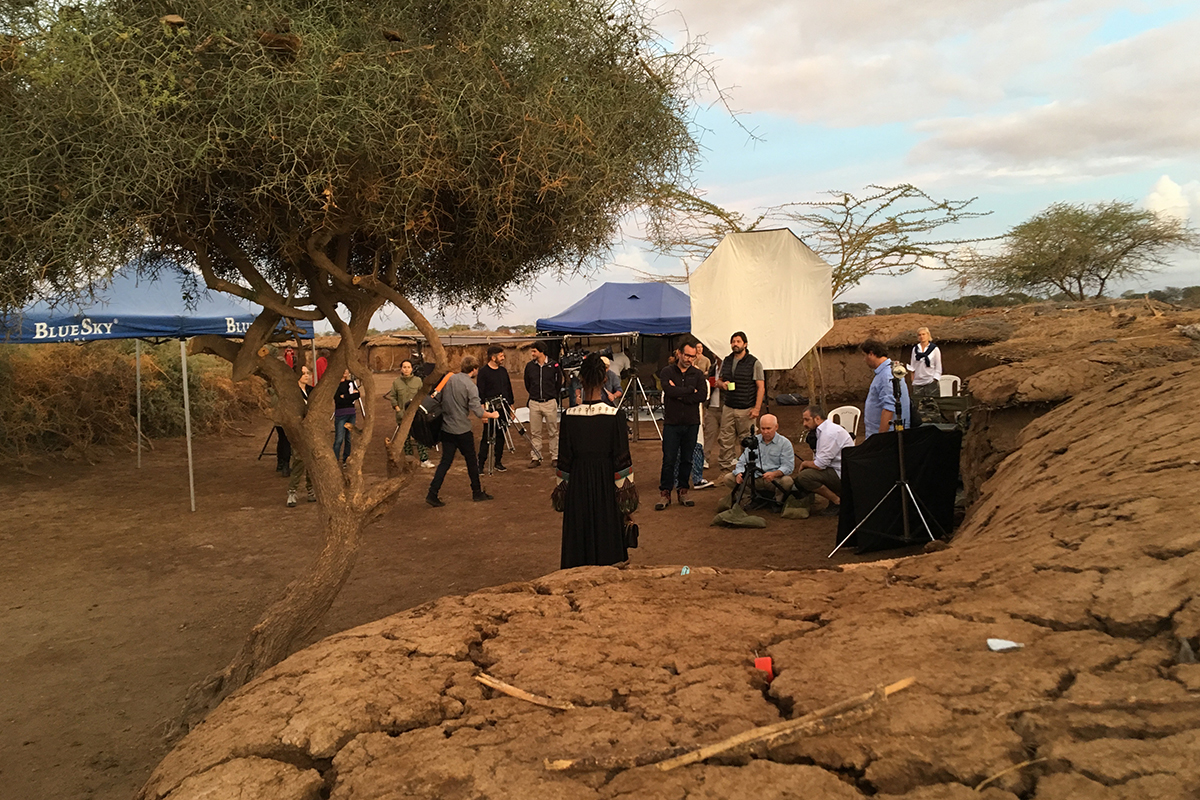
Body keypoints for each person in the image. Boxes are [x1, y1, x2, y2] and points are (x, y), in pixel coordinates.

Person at [554, 353, 638, 568]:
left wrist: (562, 495)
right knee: (608, 544)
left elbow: (564, 462)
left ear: (581, 379)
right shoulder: (616, 416)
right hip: (607, 488)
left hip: (578, 488)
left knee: (579, 548)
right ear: (604, 379)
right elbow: (623, 463)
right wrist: (627, 506)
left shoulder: (569, 416)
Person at [426, 355, 500, 506]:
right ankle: (476, 492)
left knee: (445, 462)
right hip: (462, 430)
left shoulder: (449, 379)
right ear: (474, 369)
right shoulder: (470, 386)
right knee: (471, 461)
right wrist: (492, 415)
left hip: (447, 428)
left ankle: (432, 493)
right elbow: (478, 412)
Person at [656, 340, 706, 510]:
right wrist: (690, 391)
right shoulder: (667, 371)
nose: (689, 359)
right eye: (686, 355)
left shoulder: (698, 374)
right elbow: (668, 391)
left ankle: (683, 491)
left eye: (692, 356)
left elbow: (702, 396)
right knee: (669, 459)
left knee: (687, 459)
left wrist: (678, 394)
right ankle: (665, 493)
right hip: (672, 423)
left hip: (691, 423)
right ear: (679, 353)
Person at [717, 331, 765, 472]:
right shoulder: (726, 361)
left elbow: (761, 387)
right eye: (733, 341)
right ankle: (725, 471)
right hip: (729, 407)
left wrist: (757, 408)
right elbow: (719, 381)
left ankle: (748, 472)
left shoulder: (754, 363)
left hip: (746, 409)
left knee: (747, 441)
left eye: (738, 341)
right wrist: (722, 384)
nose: (735, 344)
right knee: (725, 440)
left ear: (745, 344)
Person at [794, 405, 854, 517]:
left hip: (843, 474)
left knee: (805, 477)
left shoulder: (829, 433)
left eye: (807, 420)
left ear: (817, 418)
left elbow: (820, 465)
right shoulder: (824, 430)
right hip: (839, 469)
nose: (804, 424)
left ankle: (837, 501)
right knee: (806, 475)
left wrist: (805, 463)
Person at [720, 413, 795, 500]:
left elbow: (788, 466)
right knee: (728, 478)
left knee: (787, 481)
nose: (765, 432)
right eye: (763, 428)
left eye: (768, 428)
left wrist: (774, 474)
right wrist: (739, 473)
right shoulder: (754, 441)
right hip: (754, 478)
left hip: (773, 480)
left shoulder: (784, 443)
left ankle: (777, 501)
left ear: (776, 427)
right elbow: (742, 461)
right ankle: (749, 498)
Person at [386, 359, 434, 468]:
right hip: (402, 415)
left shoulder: (418, 381)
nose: (406, 369)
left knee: (420, 437)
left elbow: (423, 395)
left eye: (408, 367)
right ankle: (409, 460)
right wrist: (398, 409)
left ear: (412, 369)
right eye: (404, 367)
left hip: (416, 415)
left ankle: (424, 459)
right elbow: (393, 397)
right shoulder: (396, 383)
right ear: (401, 369)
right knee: (405, 439)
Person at [524, 342, 563, 467]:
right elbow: (527, 383)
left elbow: (558, 383)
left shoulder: (554, 365)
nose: (532, 354)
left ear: (541, 351)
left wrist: (552, 395)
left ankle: (555, 456)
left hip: (549, 402)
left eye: (534, 351)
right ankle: (536, 457)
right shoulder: (530, 366)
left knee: (553, 431)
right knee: (535, 432)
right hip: (534, 402)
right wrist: (534, 394)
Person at [861, 339, 911, 438]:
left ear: (871, 354)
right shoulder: (886, 372)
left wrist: (881, 438)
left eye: (864, 355)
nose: (864, 359)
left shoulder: (887, 374)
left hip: (888, 437)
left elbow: (889, 408)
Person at [476, 345, 514, 472]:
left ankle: (498, 461)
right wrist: (483, 411)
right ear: (493, 357)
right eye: (501, 356)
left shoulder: (503, 371)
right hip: (490, 408)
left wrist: (511, 406)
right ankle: (480, 464)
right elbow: (480, 392)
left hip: (503, 407)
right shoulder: (483, 372)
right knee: (487, 436)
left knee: (501, 435)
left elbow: (508, 388)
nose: (503, 358)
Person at [286, 366, 317, 507]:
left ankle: (311, 489)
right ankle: (292, 491)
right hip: (298, 431)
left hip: (311, 431)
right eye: (303, 373)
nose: (306, 376)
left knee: (311, 461)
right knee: (299, 461)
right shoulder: (292, 392)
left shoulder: (312, 390)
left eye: (308, 373)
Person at [908, 326, 943, 424]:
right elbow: (912, 365)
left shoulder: (934, 349)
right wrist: (913, 379)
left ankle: (934, 425)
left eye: (923, 334)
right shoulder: (915, 349)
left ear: (928, 335)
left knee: (932, 406)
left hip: (930, 381)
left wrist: (935, 379)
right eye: (919, 335)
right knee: (918, 407)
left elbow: (938, 365)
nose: (922, 336)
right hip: (918, 382)